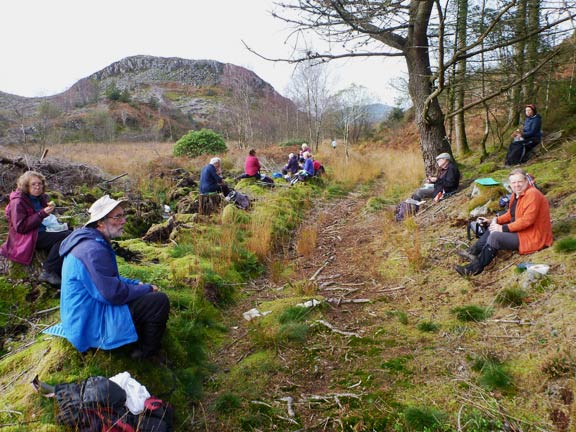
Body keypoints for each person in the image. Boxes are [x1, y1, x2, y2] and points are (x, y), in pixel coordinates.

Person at [44, 195, 170, 360]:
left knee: (145, 296)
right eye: (117, 217)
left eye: (123, 215)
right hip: (87, 324)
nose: (124, 221)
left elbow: (108, 278)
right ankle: (145, 354)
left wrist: (135, 284)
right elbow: (112, 294)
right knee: (159, 302)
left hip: (82, 314)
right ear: (100, 223)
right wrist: (145, 289)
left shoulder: (91, 242)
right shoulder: (92, 250)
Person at [455, 168, 553, 276]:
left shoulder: (532, 195)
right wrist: (493, 221)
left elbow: (527, 221)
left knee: (495, 237)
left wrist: (502, 228)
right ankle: (473, 252)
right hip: (521, 231)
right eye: (514, 182)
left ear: (526, 181)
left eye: (520, 182)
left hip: (532, 236)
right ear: (510, 184)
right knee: (493, 227)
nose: (517, 185)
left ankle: (474, 268)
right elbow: (511, 214)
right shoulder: (516, 195)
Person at [0, 171, 71, 285]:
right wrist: (41, 214)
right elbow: (21, 227)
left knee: (70, 232)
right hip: (26, 237)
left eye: (40, 184)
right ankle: (48, 271)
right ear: (26, 186)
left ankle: (61, 270)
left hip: (41, 230)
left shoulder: (39, 198)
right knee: (65, 236)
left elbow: (42, 217)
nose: (37, 186)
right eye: (33, 184)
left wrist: (48, 211)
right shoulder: (18, 201)